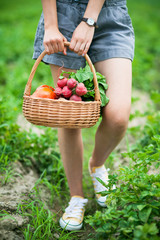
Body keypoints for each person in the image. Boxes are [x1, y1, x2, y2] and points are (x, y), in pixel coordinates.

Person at [33, 0, 135, 231]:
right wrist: (50, 25)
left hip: (110, 15)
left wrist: (89, 20)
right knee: (69, 115)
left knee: (118, 115)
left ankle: (97, 164)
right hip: (62, 14)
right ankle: (76, 197)